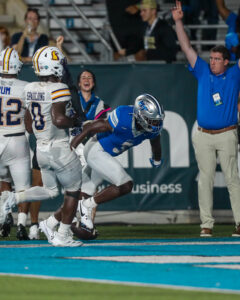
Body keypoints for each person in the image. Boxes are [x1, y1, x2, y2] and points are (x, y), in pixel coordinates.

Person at [0, 46, 83, 247]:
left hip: (41, 148)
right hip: (58, 147)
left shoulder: (30, 89)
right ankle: (62, 235)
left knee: (50, 190)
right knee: (74, 191)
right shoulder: (59, 88)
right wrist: (76, 122)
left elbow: (29, 122)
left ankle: (13, 198)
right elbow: (59, 119)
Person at [172, 0, 240, 237]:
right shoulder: (202, 71)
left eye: (216, 59)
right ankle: (206, 224)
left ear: (226, 61)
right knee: (205, 181)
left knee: (233, 180)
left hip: (227, 134)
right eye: (210, 58)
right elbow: (186, 46)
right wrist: (178, 21)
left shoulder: (234, 74)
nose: (211, 62)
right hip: (203, 135)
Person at [70, 93, 164, 231]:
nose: (156, 124)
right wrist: (71, 147)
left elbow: (156, 143)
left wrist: (157, 159)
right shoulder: (123, 116)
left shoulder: (150, 130)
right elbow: (90, 127)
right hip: (96, 149)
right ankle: (86, 206)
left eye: (157, 120)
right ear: (141, 117)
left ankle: (59, 224)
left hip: (105, 153)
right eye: (153, 121)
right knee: (125, 184)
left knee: (89, 188)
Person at [0, 47, 32, 239]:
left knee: (3, 181)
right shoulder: (25, 86)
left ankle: (4, 217)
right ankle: (21, 225)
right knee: (23, 188)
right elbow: (30, 121)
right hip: (18, 137)